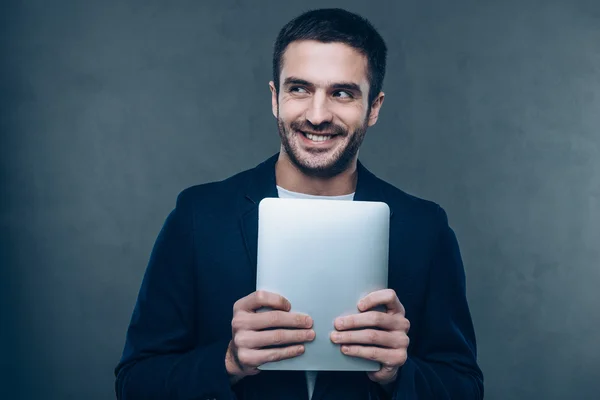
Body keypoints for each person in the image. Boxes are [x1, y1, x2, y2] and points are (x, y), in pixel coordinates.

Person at [114, 8, 484, 400]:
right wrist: (227, 362)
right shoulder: (198, 216)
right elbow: (135, 382)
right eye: (300, 89)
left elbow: (464, 388)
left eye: (342, 93)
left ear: (373, 108)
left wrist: (399, 372)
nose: (317, 114)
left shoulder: (424, 228)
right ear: (276, 97)